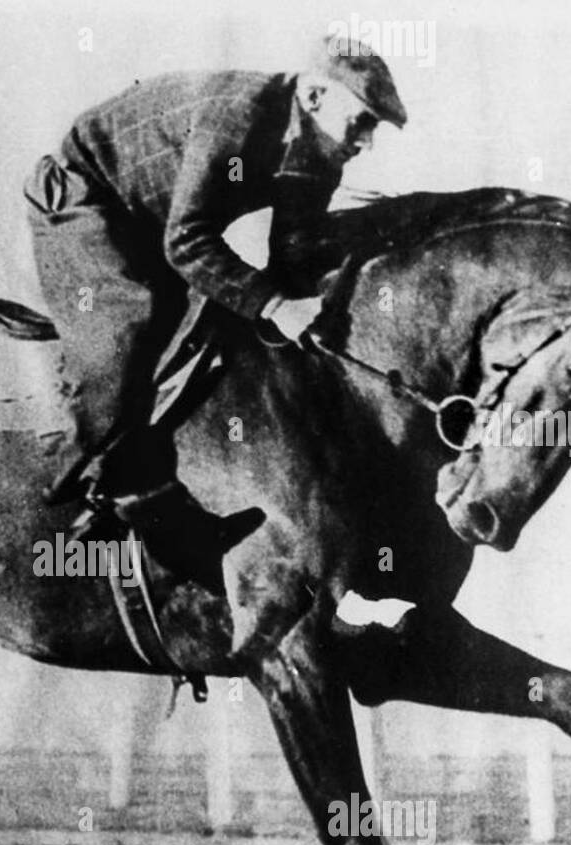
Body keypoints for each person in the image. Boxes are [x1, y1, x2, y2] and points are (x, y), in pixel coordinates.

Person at [23, 36, 407, 565]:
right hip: (85, 196)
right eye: (362, 122)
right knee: (130, 326)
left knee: (216, 325)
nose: (366, 144)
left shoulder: (319, 151)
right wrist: (275, 306)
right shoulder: (239, 115)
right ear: (316, 97)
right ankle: (93, 483)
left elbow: (293, 255)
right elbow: (186, 244)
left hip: (151, 218)